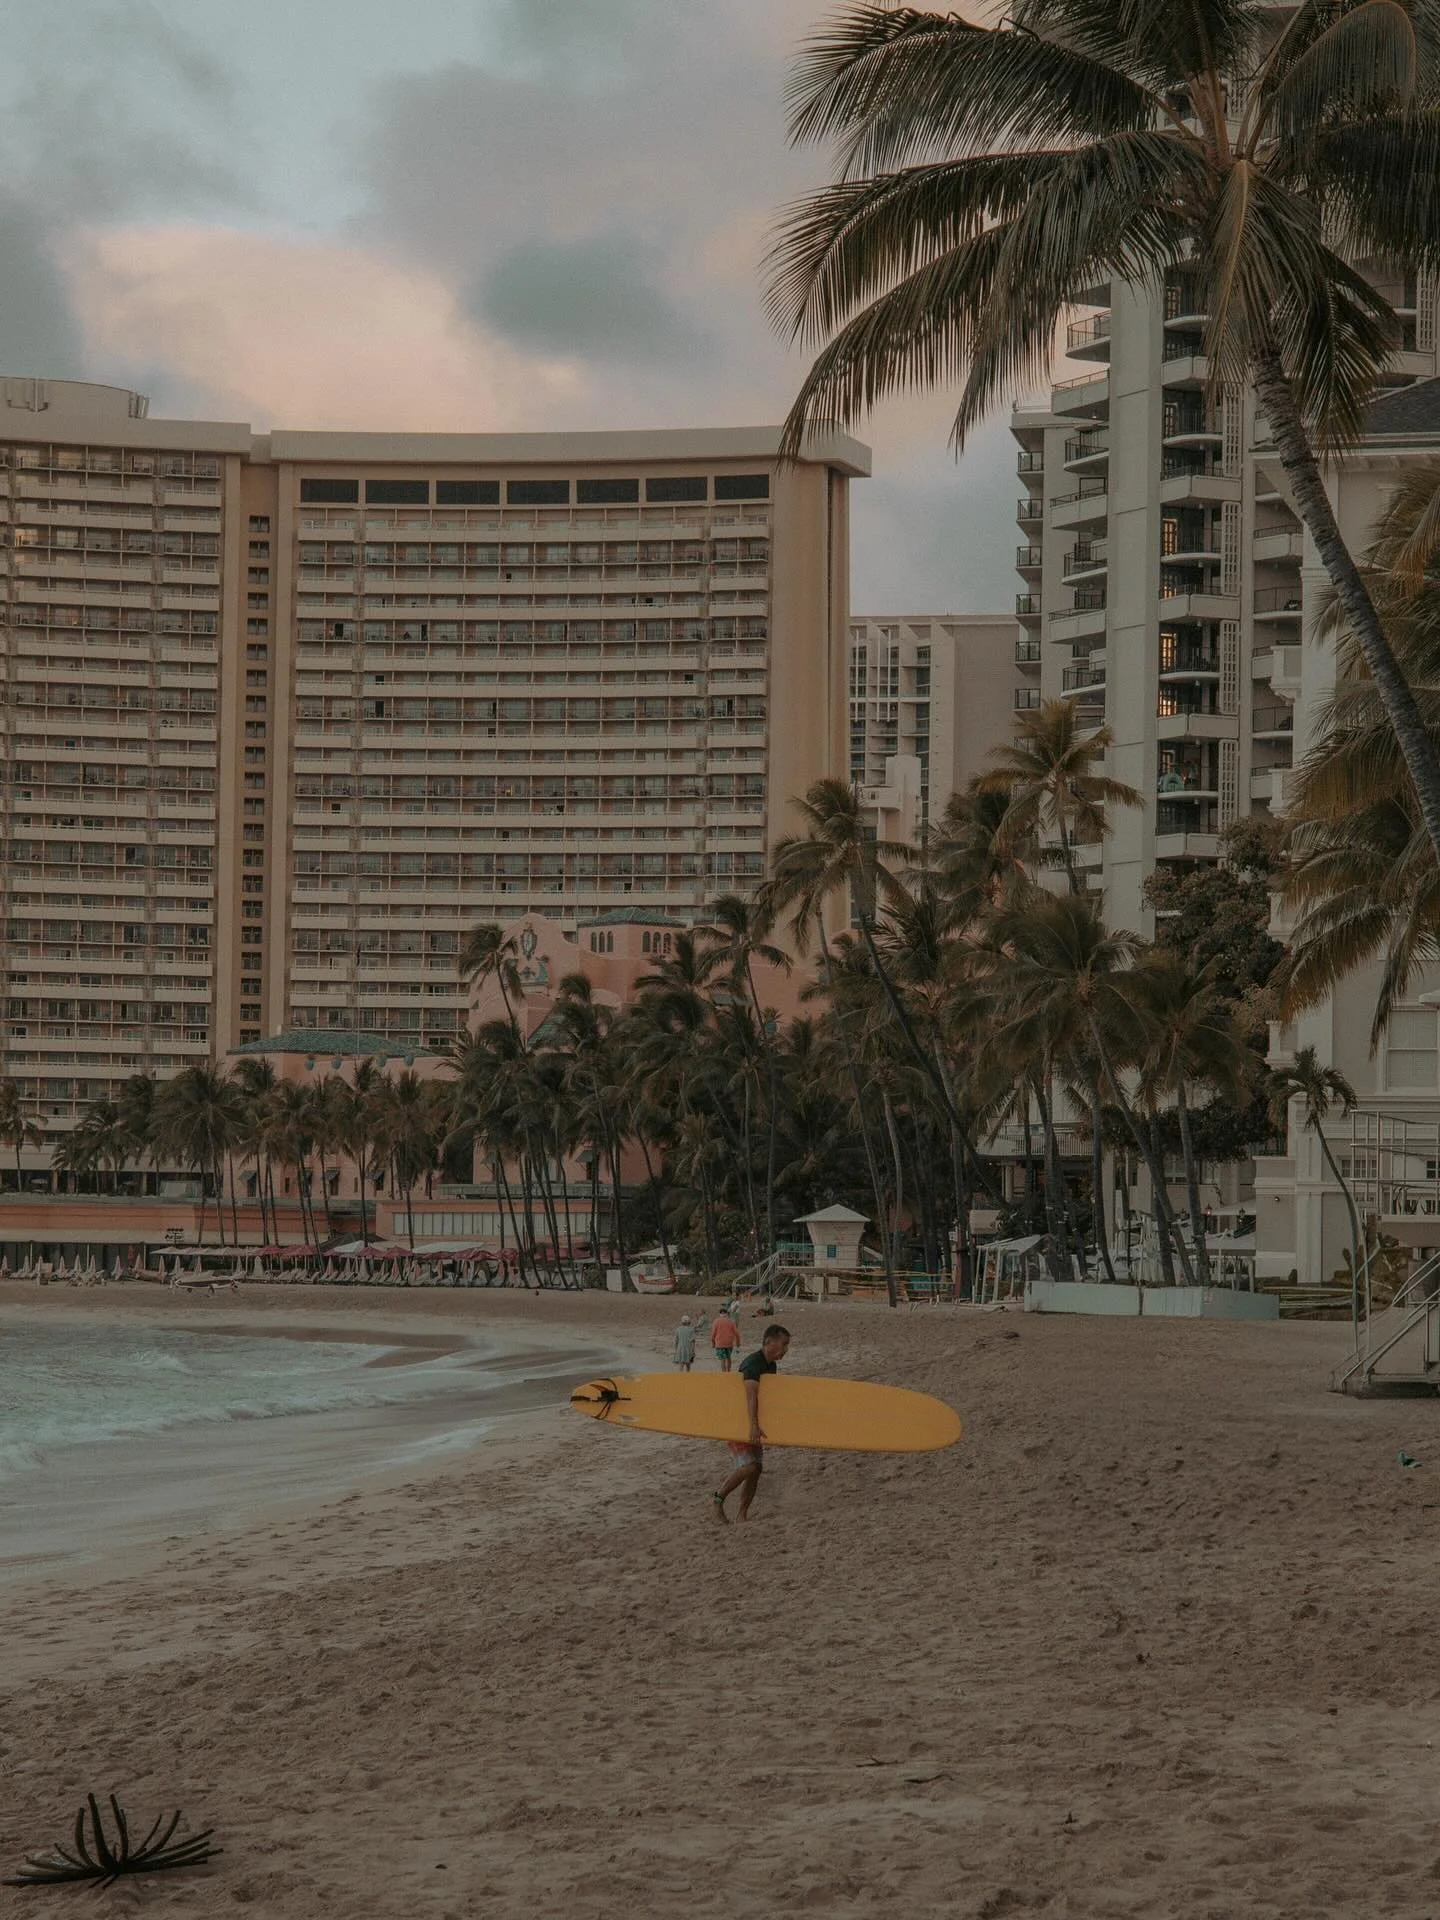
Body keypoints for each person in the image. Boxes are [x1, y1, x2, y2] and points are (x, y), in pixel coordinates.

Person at [713, 1324, 791, 1523]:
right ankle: (718, 1499)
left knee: (755, 1471)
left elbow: (768, 1399)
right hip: (740, 1422)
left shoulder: (770, 1366)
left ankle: (742, 1514)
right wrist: (753, 1426)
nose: (786, 1349)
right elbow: (750, 1397)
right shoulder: (753, 1364)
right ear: (769, 1342)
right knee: (752, 1467)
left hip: (755, 1423)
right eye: (784, 1344)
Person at [710, 1302, 739, 1372]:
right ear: (726, 1314)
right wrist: (738, 1342)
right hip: (729, 1343)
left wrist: (713, 1343)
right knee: (728, 1358)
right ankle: (728, 1371)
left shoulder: (716, 1321)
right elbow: (737, 1333)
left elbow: (713, 1334)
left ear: (720, 1314)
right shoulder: (731, 1321)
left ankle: (724, 1373)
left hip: (719, 1344)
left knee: (722, 1359)